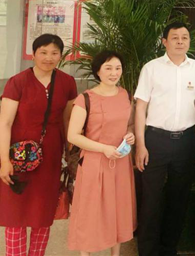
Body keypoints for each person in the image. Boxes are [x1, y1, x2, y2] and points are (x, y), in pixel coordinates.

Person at [0, 34, 78, 256]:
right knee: (15, 213)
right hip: (18, 155)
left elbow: (67, 120)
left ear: (61, 56)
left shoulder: (67, 82)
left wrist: (69, 154)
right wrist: (5, 161)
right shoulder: (17, 82)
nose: (49, 57)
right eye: (43, 52)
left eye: (54, 53)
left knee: (42, 213)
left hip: (51, 154)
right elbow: (5, 123)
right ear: (33, 54)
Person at [134, 21, 195, 256]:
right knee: (151, 200)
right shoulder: (151, 68)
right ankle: (147, 251)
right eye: (175, 37)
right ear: (164, 42)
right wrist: (141, 145)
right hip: (155, 141)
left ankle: (169, 249)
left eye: (185, 37)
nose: (180, 42)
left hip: (186, 141)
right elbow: (140, 108)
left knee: (179, 199)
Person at [67, 51, 137, 255]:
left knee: (118, 210)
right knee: (90, 212)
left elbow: (129, 125)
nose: (114, 73)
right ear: (98, 71)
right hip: (94, 163)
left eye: (118, 68)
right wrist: (103, 148)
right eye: (108, 68)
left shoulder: (125, 95)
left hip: (120, 163)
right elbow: (73, 135)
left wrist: (130, 135)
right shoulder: (85, 99)